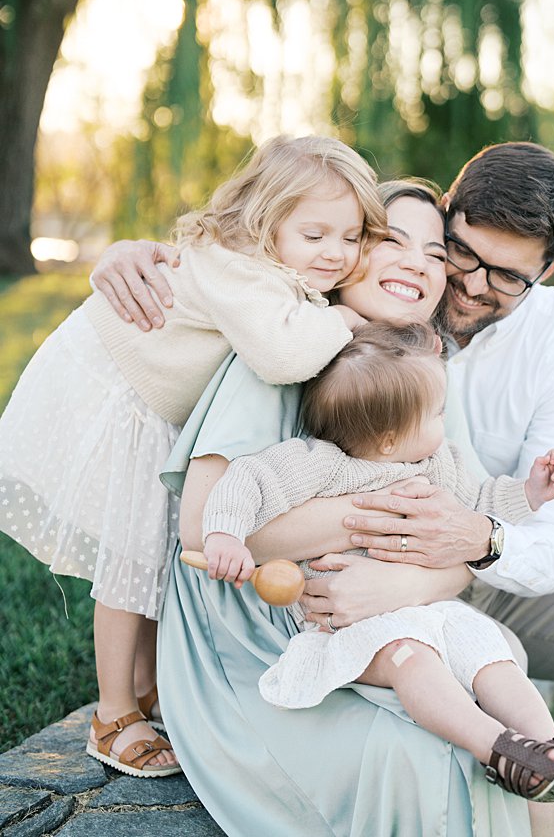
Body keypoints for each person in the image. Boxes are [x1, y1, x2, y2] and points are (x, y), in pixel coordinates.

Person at [94, 146, 554, 837]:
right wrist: (146, 255)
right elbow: (275, 228)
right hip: (345, 590)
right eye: (458, 252)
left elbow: (547, 545)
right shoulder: (327, 323)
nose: (468, 284)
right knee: (436, 710)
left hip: (483, 567)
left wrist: (443, 564)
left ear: (548, 272)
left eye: (508, 277)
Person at [0, 134, 386, 778]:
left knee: (150, 552)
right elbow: (285, 355)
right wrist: (347, 321)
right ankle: (113, 712)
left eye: (350, 238)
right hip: (120, 392)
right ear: (266, 221)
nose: (335, 253)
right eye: (315, 234)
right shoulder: (241, 266)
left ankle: (147, 686)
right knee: (132, 557)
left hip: (148, 400)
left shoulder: (268, 269)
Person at [202, 319, 554, 837]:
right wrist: (225, 535)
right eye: (437, 413)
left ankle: (550, 755)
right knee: (414, 660)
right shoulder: (322, 466)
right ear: (392, 439)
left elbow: (480, 504)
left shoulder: (440, 465)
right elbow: (249, 479)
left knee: (493, 656)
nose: (446, 422)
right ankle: (499, 749)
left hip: (434, 610)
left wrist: (528, 495)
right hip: (355, 626)